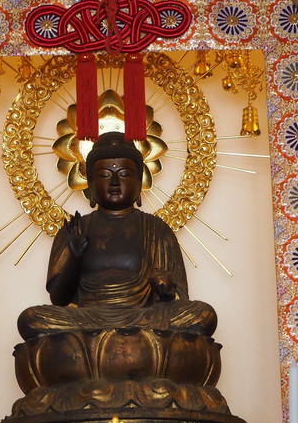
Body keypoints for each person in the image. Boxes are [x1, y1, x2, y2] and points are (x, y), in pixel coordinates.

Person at [17, 132, 217, 340]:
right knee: (31, 318)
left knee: (203, 315)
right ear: (91, 186)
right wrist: (75, 258)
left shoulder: (157, 229)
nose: (114, 182)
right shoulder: (76, 229)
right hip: (88, 317)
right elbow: (58, 299)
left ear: (139, 185)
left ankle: (111, 342)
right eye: (104, 175)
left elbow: (177, 298)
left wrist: (166, 290)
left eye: (123, 174)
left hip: (143, 317)